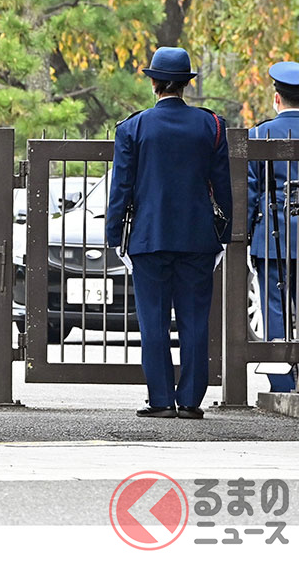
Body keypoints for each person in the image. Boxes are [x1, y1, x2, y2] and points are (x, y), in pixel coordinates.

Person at [106, 46, 233, 419]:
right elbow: (222, 187)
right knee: (194, 321)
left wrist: (115, 236)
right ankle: (191, 401)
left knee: (154, 321)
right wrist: (224, 234)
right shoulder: (212, 125)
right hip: (198, 237)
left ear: (154, 83)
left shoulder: (133, 127)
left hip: (149, 237)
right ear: (186, 84)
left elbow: (121, 188)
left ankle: (161, 400)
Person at [246, 61, 299, 393]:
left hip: (272, 237)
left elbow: (250, 193)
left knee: (274, 309)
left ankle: (281, 384)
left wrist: (245, 235)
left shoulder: (259, 134)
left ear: (276, 98)